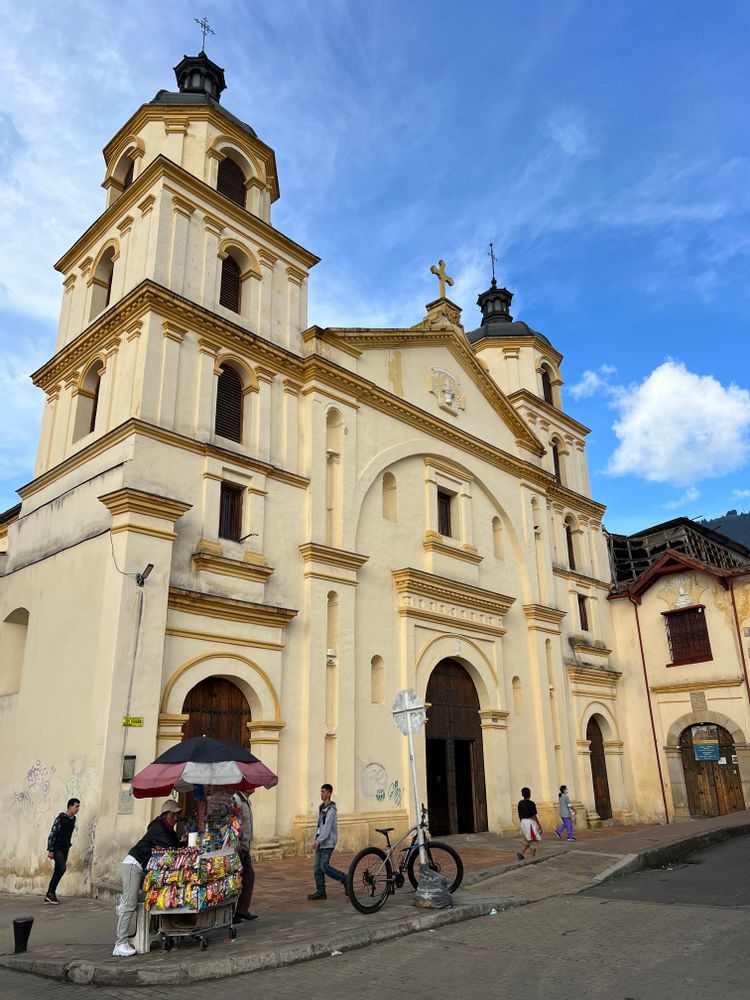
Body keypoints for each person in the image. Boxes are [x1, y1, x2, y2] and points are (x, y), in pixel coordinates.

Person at [112, 799, 181, 958]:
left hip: (142, 869)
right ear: (166, 814)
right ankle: (120, 943)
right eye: (174, 815)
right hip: (133, 865)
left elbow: (174, 843)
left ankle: (150, 932)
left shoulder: (167, 828)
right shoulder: (158, 827)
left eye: (177, 815)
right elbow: (172, 846)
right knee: (129, 904)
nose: (176, 818)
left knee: (150, 898)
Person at [307, 783, 348, 900]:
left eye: (324, 792)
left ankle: (345, 879)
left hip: (327, 842)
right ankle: (321, 891)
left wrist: (318, 840)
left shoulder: (331, 810)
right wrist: (317, 839)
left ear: (329, 793)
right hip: (320, 841)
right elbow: (320, 825)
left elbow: (327, 827)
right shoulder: (321, 807)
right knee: (317, 868)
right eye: (321, 791)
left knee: (324, 867)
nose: (322, 794)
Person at [44, 798, 80, 903]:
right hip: (57, 847)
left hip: (65, 848)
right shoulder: (61, 818)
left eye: (78, 806)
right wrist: (50, 849)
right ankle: (50, 893)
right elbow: (53, 833)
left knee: (58, 870)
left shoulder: (73, 819)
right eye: (76, 806)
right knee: (62, 867)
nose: (78, 809)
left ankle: (50, 893)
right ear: (70, 806)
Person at [232, 789, 258, 923]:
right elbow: (235, 824)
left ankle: (241, 910)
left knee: (248, 877)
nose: (254, 787)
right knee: (238, 879)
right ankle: (236, 912)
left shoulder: (246, 801)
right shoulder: (236, 800)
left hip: (245, 846)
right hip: (240, 847)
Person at [516, 787, 542, 860]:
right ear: (529, 794)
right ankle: (532, 858)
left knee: (526, 840)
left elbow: (519, 815)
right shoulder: (531, 803)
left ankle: (521, 852)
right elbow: (534, 816)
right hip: (530, 823)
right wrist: (539, 825)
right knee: (534, 841)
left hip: (523, 822)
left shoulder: (520, 803)